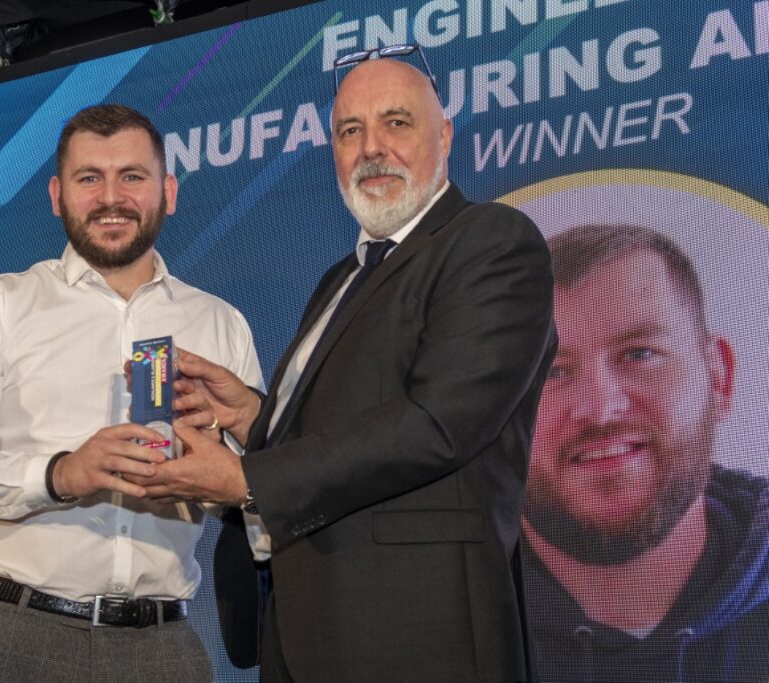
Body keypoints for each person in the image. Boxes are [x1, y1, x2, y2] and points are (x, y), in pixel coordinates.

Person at [135, 57, 557, 682]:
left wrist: (248, 479)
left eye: (395, 122)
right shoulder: (343, 276)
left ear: (444, 136)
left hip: (418, 635)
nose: (372, 148)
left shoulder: (491, 241)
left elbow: (438, 424)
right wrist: (255, 417)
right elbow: (347, 424)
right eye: (349, 131)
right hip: (307, 628)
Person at [0, 103, 262, 682]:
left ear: (168, 190)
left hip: (162, 647)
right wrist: (60, 475)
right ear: (56, 195)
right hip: (9, 633)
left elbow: (253, 492)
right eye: (89, 178)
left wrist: (220, 462)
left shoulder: (221, 324)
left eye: (132, 177)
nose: (111, 198)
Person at [521, 223, 769, 683]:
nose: (600, 409)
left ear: (718, 379)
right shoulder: (424, 628)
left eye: (639, 354)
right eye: (551, 372)